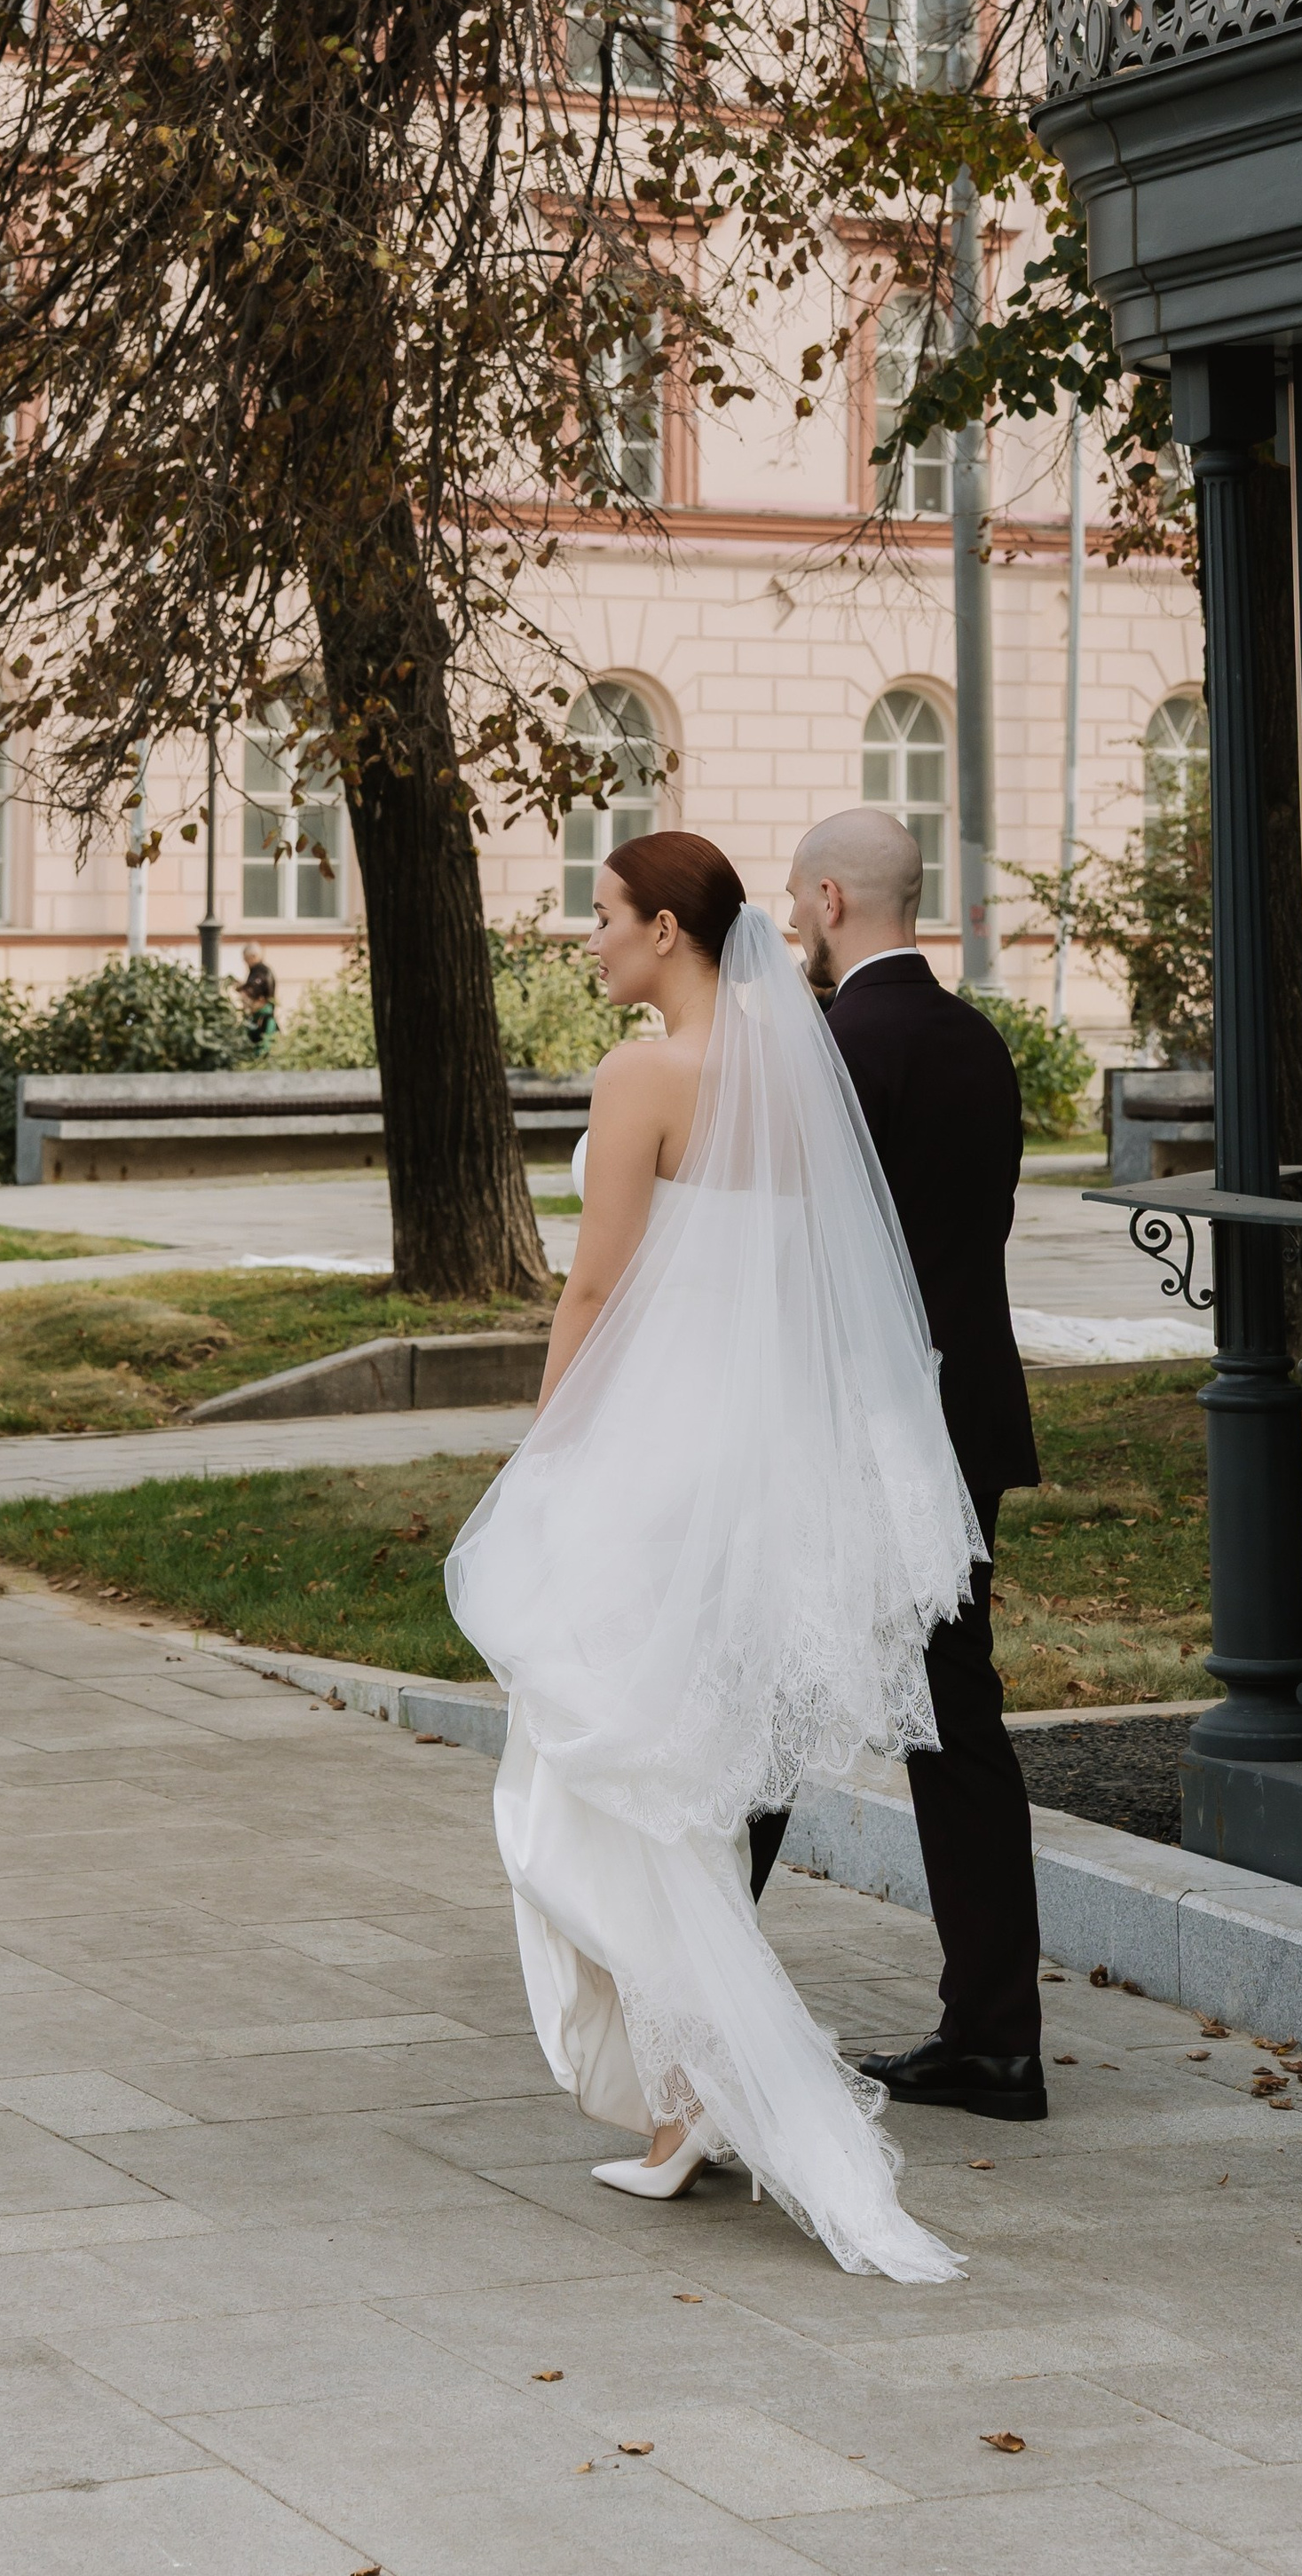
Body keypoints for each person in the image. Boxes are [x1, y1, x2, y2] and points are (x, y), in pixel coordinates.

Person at [446, 831, 981, 2278]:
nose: (594, 939)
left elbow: (599, 1284)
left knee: (594, 1779)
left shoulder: (647, 1076)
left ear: (670, 932)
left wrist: (547, 1454)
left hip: (649, 1454)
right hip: (755, 1462)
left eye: (607, 916)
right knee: (658, 1785)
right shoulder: (786, 1067)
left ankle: (719, 2093)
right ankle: (689, 2103)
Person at [765, 805, 1046, 2124]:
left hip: (861, 1426)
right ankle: (995, 2031)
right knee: (958, 1712)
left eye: (795, 903)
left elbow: (804, 1261)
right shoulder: (977, 1042)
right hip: (964, 1420)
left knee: (770, 1682)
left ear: (829, 899)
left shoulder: (831, 1052)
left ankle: (695, 2001)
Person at [236, 944, 278, 1053]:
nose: (246, 963)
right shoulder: (257, 971)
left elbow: (254, 989)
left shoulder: (261, 972)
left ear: (253, 956)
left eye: (246, 959)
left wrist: (243, 989)